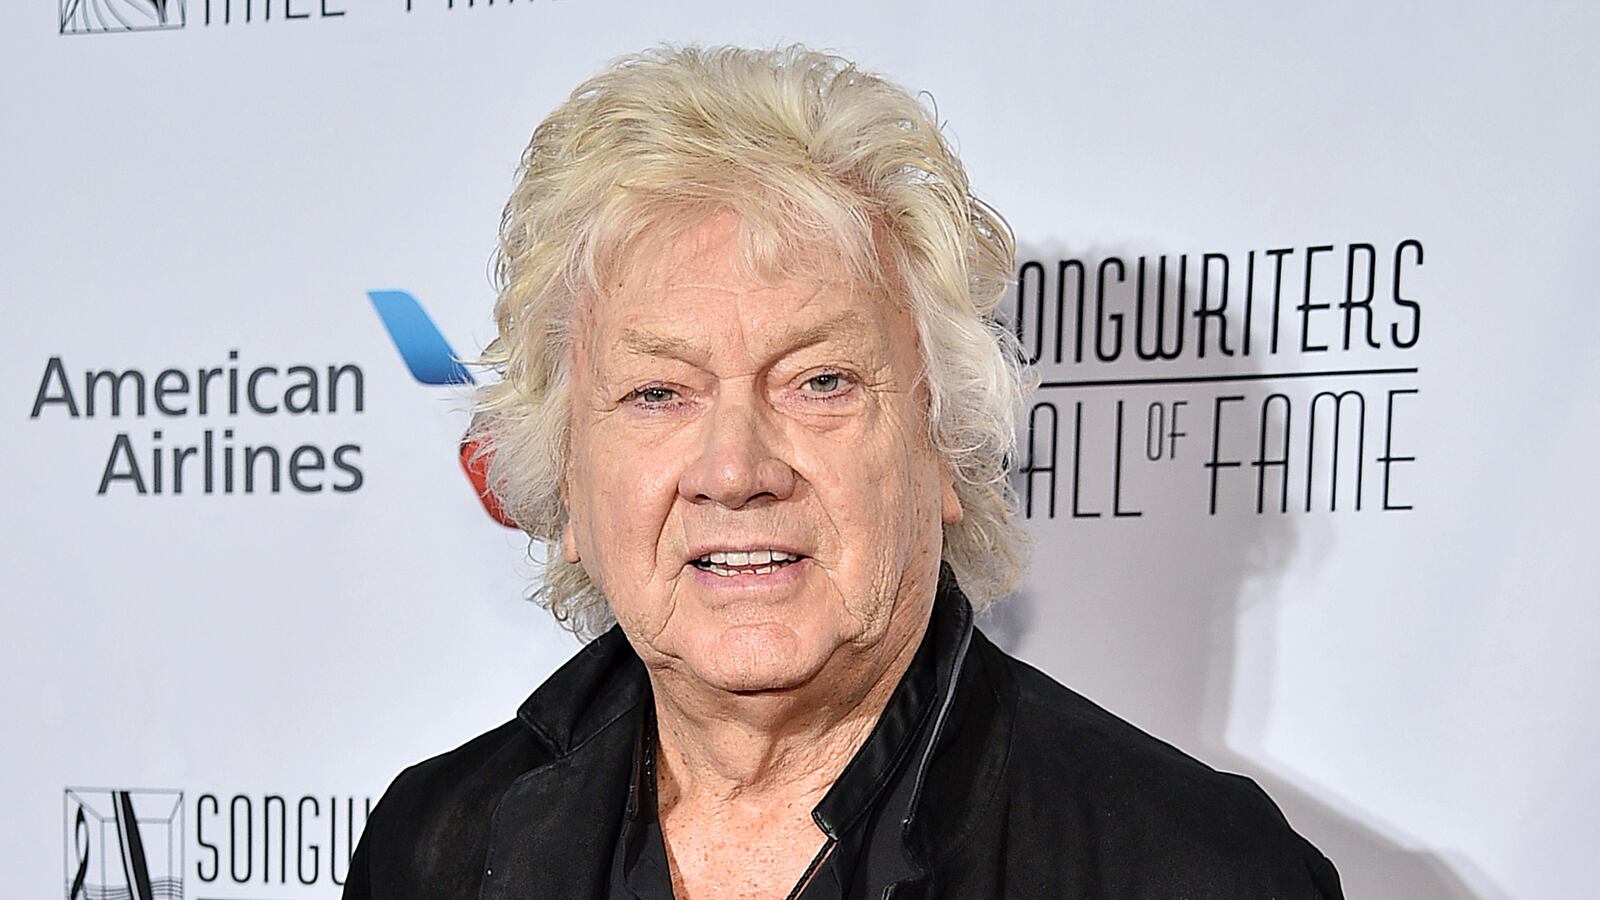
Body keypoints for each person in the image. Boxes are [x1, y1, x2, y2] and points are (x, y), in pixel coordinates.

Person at [344, 44, 1342, 899]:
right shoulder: (431, 847)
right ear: (566, 483)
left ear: (944, 449)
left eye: (820, 381)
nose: (734, 472)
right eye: (658, 393)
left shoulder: (1192, 870)